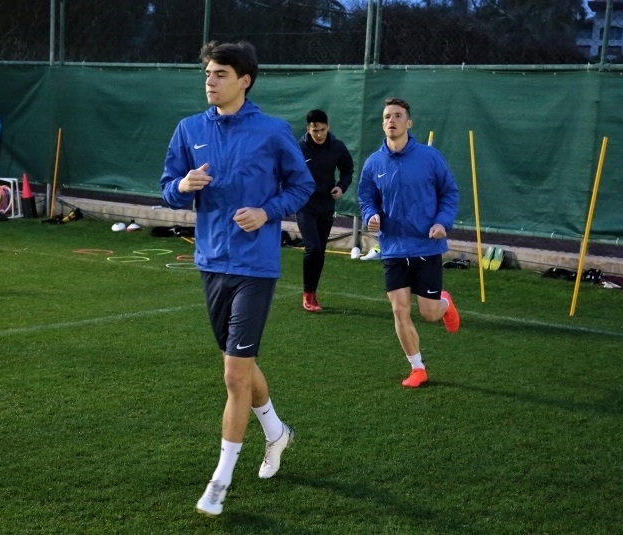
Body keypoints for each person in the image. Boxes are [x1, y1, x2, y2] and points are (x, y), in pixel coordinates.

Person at [160, 40, 314, 517]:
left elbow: (302, 185)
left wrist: (267, 212)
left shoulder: (272, 131)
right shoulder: (189, 129)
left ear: (244, 80)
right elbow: (168, 189)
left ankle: (220, 480)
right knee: (240, 365)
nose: (210, 81)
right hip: (210, 263)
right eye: (208, 73)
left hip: (255, 267)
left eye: (220, 73)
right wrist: (182, 186)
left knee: (233, 373)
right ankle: (276, 432)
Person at [357, 97, 461, 388]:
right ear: (383, 124)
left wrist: (442, 222)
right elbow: (366, 197)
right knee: (399, 310)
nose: (392, 120)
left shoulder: (430, 157)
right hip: (392, 248)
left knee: (428, 313)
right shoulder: (373, 163)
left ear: (409, 123)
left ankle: (444, 303)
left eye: (398, 115)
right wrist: (371, 215)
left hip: (426, 246)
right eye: (387, 116)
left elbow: (450, 193)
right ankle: (417, 368)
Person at [296, 109, 354, 312]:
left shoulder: (337, 146)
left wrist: (341, 187)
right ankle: (307, 294)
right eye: (315, 130)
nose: (319, 134)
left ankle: (313, 293)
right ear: (308, 129)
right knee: (312, 247)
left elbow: (348, 169)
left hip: (326, 205)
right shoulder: (299, 148)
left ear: (328, 127)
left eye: (322, 129)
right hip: (305, 206)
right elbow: (287, 171)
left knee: (320, 250)